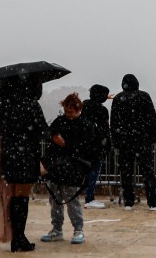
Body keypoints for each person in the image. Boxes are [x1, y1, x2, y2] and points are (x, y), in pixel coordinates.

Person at [0, 75, 49, 253]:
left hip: (9, 154)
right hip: (27, 154)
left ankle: (14, 237)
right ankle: (19, 237)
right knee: (22, 196)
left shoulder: (2, 103)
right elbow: (41, 130)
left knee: (12, 195)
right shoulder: (31, 104)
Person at [40, 93, 97, 246]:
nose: (68, 115)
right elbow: (49, 136)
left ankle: (78, 229)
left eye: (70, 112)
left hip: (73, 168)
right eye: (66, 111)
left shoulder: (86, 125)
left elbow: (86, 148)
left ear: (78, 110)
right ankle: (56, 229)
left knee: (72, 200)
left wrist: (65, 144)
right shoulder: (60, 122)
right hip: (57, 167)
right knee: (55, 200)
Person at [110, 74, 156, 211]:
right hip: (142, 141)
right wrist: (151, 138)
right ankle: (153, 202)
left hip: (125, 142)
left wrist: (117, 141)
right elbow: (152, 118)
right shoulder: (144, 97)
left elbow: (113, 122)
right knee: (148, 172)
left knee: (126, 173)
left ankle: (128, 201)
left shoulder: (118, 99)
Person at [80, 84, 112, 209]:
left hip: (84, 145)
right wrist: (106, 145)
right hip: (96, 146)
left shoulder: (85, 105)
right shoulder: (102, 110)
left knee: (86, 171)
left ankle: (85, 196)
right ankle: (89, 198)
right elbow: (105, 129)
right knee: (94, 171)